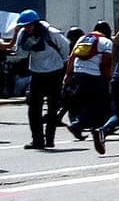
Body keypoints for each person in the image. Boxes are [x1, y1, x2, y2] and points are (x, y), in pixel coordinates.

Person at [0, 10, 70, 149]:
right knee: (33, 109)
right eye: (24, 26)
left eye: (29, 25)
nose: (27, 28)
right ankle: (37, 140)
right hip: (37, 73)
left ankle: (50, 138)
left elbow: (65, 47)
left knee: (52, 108)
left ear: (36, 23)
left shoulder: (51, 33)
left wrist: (60, 62)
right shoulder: (23, 34)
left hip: (54, 73)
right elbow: (21, 53)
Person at [61, 20, 113, 139]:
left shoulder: (83, 39)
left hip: (78, 74)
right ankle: (78, 125)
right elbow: (106, 63)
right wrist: (108, 79)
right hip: (94, 76)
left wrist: (68, 75)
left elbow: (72, 57)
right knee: (99, 104)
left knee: (84, 102)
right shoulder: (106, 42)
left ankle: (81, 126)